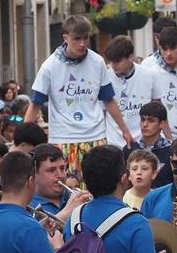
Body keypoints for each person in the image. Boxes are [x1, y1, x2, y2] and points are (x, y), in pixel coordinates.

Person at [25, 15, 134, 171]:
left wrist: (125, 131)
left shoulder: (97, 62)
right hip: (63, 139)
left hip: (96, 138)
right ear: (66, 38)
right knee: (67, 190)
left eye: (86, 38)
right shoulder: (50, 66)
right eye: (77, 39)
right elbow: (35, 104)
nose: (82, 44)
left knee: (99, 187)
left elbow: (108, 100)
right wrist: (22, 138)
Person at [103, 35, 159, 148]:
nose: (113, 65)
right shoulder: (105, 78)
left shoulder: (148, 75)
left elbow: (158, 106)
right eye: (111, 61)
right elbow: (103, 112)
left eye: (117, 61)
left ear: (130, 57)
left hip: (145, 143)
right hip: (115, 143)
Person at [29, 144, 92, 224]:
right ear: (34, 175)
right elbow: (35, 234)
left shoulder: (73, 196)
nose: (61, 175)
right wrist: (66, 213)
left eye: (62, 168)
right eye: (51, 170)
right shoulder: (27, 205)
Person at [124, 101, 173, 186]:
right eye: (142, 120)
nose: (145, 124)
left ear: (162, 123)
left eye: (151, 121)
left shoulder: (172, 149)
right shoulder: (130, 149)